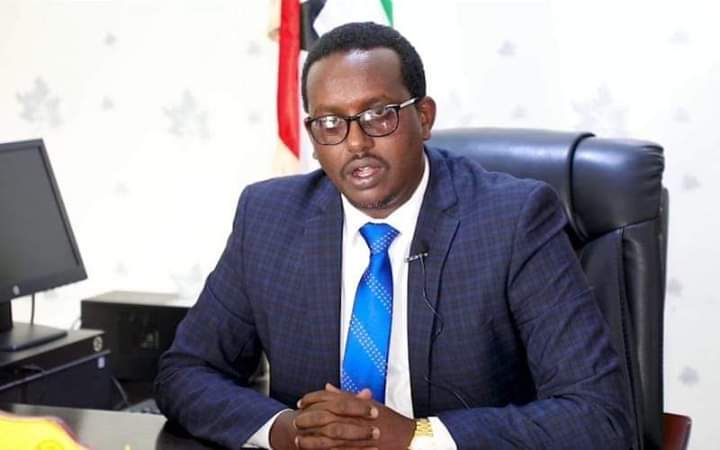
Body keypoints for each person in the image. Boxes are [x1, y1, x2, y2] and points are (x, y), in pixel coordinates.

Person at [155, 22, 632, 450]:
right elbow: (186, 372)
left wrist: (415, 438)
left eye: (378, 114)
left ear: (424, 117)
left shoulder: (514, 220)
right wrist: (288, 431)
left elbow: (598, 416)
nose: (356, 142)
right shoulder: (269, 217)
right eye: (330, 123)